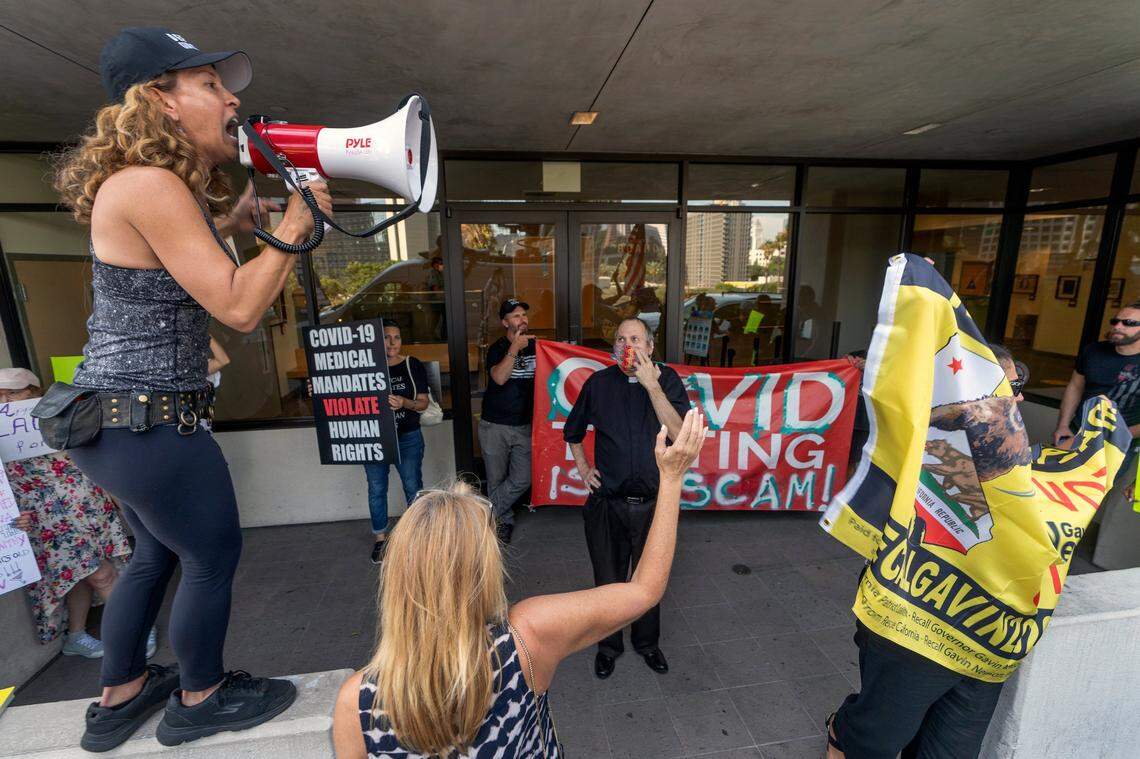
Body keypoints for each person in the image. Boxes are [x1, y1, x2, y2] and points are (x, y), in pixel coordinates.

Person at [52, 27, 332, 751]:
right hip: (149, 423)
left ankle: (120, 694)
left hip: (116, 423)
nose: (229, 96)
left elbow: (176, 260)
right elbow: (238, 306)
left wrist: (233, 220)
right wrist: (297, 223)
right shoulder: (150, 183)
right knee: (212, 555)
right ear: (160, 101)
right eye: (208, 84)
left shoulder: (146, 187)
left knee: (154, 555)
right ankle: (200, 696)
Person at [331, 409, 708, 758]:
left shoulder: (356, 703)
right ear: (484, 570)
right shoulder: (525, 639)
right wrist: (672, 478)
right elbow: (644, 590)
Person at [826, 344, 1028, 759]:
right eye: (1002, 387)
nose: (1017, 397)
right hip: (911, 626)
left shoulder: (1020, 456)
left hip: (987, 639)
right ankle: (840, 731)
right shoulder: (916, 443)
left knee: (948, 750)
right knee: (875, 739)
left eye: (1016, 385)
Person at [563, 317, 692, 679]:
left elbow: (681, 433)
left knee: (649, 582)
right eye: (620, 339)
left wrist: (652, 388)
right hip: (608, 504)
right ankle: (609, 646)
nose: (627, 345)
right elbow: (573, 431)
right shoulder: (599, 383)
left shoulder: (667, 381)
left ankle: (647, 644)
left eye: (635, 338)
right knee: (608, 580)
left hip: (655, 505)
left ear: (650, 347)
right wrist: (584, 469)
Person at [0, 369, 155, 659]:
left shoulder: (62, 418)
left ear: (34, 392)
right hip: (46, 520)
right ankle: (136, 633)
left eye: (14, 392)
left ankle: (77, 635)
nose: (5, 399)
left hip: (88, 508)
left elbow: (98, 461)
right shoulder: (3, 433)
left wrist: (128, 505)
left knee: (82, 575)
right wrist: (8, 518)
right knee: (102, 576)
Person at [1053, 302, 1140, 569]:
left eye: (1128, 323)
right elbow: (1075, 385)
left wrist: (1110, 438)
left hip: (1118, 447)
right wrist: (1063, 426)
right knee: (1053, 487)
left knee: (1086, 497)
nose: (1117, 326)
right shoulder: (1094, 351)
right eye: (1115, 320)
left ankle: (1061, 555)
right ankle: (1045, 545)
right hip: (1076, 433)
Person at [362, 322, 429, 564]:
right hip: (374, 438)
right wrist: (317, 388)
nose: (392, 342)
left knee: (413, 486)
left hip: (408, 436)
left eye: (397, 337)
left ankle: (417, 537)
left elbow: (423, 403)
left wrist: (404, 403)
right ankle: (381, 540)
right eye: (386, 337)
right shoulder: (363, 368)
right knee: (376, 488)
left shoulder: (412, 365)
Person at [479, 298, 536, 544]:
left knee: (524, 478)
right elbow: (500, 378)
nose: (521, 319)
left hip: (524, 424)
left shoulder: (537, 347)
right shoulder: (497, 348)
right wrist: (514, 349)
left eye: (523, 314)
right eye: (515, 316)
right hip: (495, 425)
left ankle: (484, 513)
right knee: (496, 479)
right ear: (505, 322)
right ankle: (503, 521)